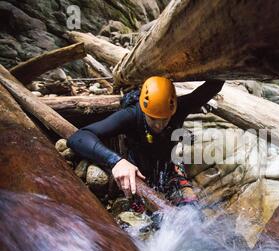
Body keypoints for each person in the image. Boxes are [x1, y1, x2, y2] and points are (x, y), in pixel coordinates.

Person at [68, 77, 224, 209]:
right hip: (139, 173)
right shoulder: (131, 115)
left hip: (169, 171)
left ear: (173, 109)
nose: (158, 125)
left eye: (164, 119)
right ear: (144, 111)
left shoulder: (181, 108)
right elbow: (79, 137)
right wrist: (116, 161)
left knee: (192, 215)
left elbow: (215, 83)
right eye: (153, 119)